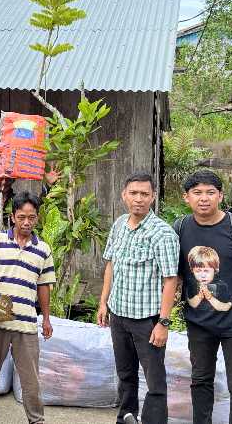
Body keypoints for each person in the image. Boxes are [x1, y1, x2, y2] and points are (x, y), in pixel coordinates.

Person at [174, 170, 232, 424]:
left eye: (210, 192)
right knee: (201, 380)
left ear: (220, 196)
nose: (204, 198)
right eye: (197, 193)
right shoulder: (180, 228)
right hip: (198, 322)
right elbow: (177, 274)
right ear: (186, 197)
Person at [96, 172, 179, 424]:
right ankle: (126, 418)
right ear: (124, 195)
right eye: (133, 193)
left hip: (147, 321)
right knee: (126, 375)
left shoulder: (162, 233)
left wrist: (163, 323)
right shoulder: (120, 224)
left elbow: (170, 280)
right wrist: (103, 302)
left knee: (154, 381)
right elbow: (111, 265)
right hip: (119, 315)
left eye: (145, 194)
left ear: (153, 197)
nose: (139, 199)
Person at [0, 192, 55, 424]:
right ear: (13, 217)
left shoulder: (43, 249)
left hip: (26, 318)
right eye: (21, 217)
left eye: (31, 217)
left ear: (37, 218)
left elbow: (44, 286)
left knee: (30, 378)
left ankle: (36, 419)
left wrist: (46, 318)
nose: (26, 222)